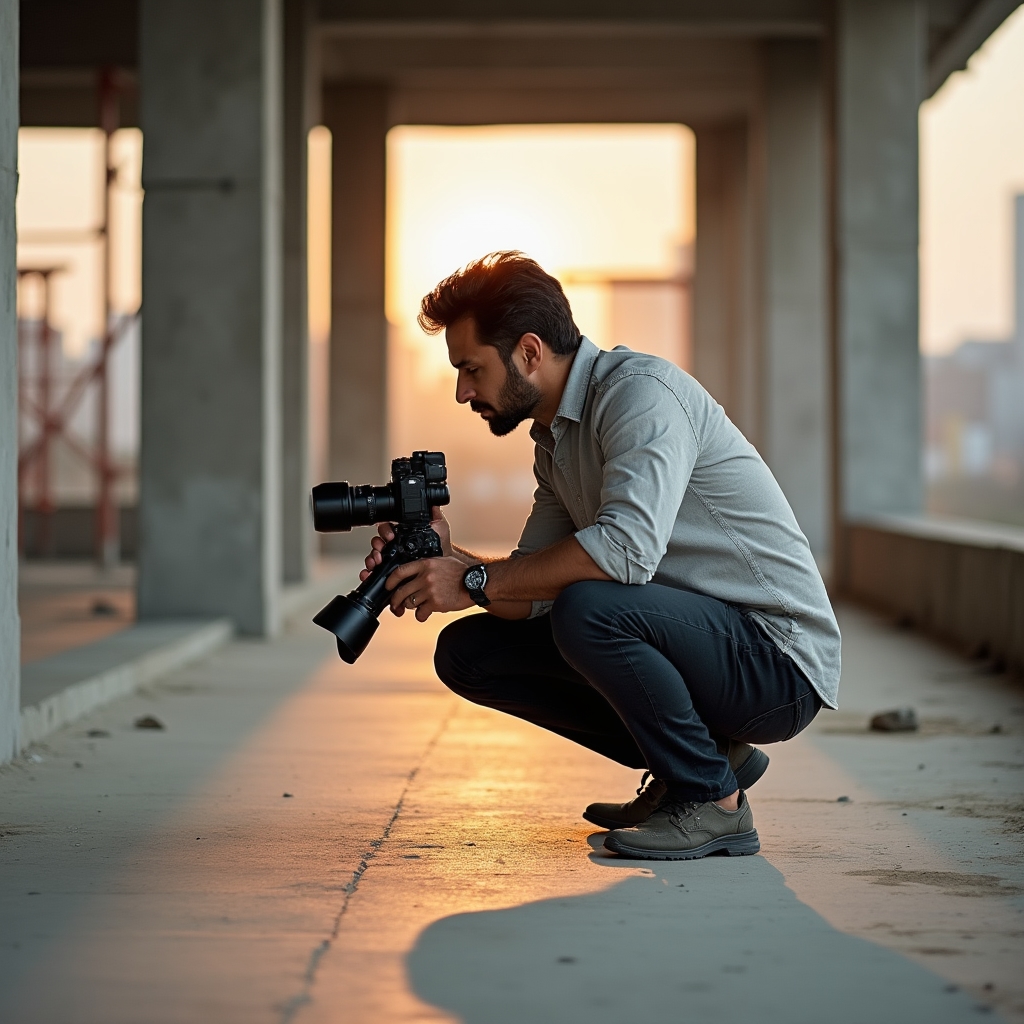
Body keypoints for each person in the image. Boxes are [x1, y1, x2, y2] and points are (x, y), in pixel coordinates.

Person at [361, 251, 841, 861]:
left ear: (529, 352)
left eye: (471, 369)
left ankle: (712, 800)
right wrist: (448, 560)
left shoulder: (639, 396)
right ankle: (701, 759)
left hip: (776, 662)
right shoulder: (555, 439)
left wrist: (477, 579)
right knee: (470, 653)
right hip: (705, 645)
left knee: (589, 607)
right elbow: (529, 594)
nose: (461, 391)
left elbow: (625, 552)